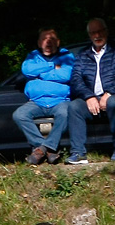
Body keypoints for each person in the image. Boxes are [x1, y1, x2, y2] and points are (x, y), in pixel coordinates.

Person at [67, 18, 115, 164]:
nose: (97, 35)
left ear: (106, 31)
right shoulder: (83, 54)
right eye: (93, 33)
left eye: (100, 31)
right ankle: (78, 153)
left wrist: (108, 93)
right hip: (93, 100)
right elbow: (75, 80)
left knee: (113, 102)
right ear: (89, 35)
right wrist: (88, 97)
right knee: (74, 106)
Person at [13, 28, 74, 166]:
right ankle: (48, 150)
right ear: (39, 42)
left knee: (65, 114)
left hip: (60, 101)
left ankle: (40, 151)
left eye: (52, 39)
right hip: (36, 102)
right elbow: (27, 70)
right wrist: (52, 66)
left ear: (58, 42)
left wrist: (40, 73)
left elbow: (66, 75)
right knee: (19, 115)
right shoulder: (32, 56)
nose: (48, 42)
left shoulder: (66, 56)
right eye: (45, 39)